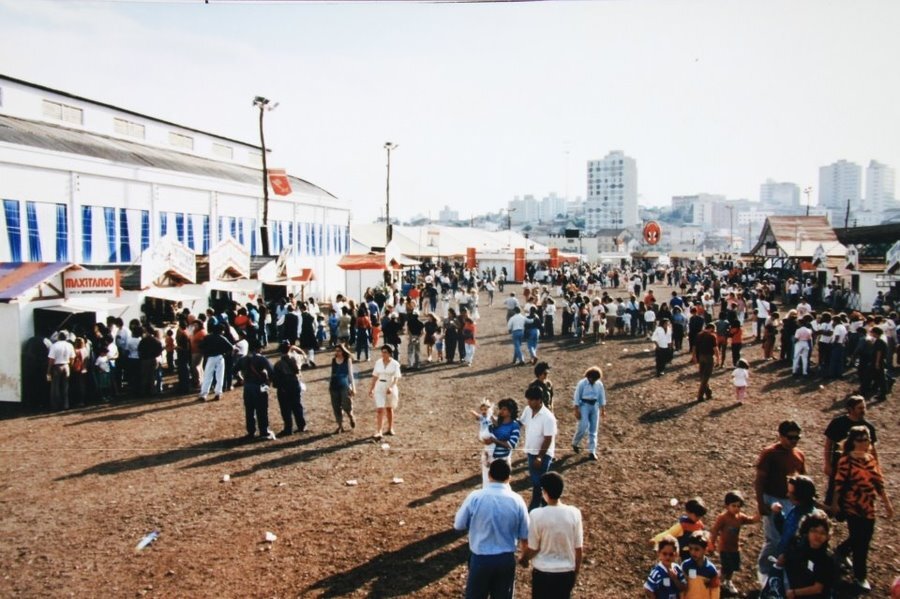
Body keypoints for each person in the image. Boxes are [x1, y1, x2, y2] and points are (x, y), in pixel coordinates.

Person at [453, 459, 530, 599]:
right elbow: (525, 534)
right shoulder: (517, 500)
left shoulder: (475, 497)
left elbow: (458, 524)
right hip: (505, 559)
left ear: (489, 476)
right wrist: (525, 557)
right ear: (509, 478)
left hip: (481, 558)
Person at [830, 425, 894, 592]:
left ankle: (842, 550)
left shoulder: (870, 459)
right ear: (852, 441)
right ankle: (860, 576)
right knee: (861, 543)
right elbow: (839, 483)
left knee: (864, 536)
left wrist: (887, 503)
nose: (864, 443)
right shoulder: (846, 460)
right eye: (860, 440)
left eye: (866, 439)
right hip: (853, 505)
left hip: (868, 505)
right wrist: (835, 504)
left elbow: (878, 482)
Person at [519, 472, 583, 599]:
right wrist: (575, 572)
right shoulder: (574, 513)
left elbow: (534, 547)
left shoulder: (536, 514)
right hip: (565, 573)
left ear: (545, 492)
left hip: (543, 574)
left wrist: (524, 558)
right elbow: (578, 548)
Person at [754, 420, 806, 576]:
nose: (794, 441)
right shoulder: (770, 453)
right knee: (774, 538)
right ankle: (764, 570)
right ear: (781, 436)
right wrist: (761, 503)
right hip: (772, 498)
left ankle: (781, 566)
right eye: (791, 437)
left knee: (789, 536)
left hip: (790, 500)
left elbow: (803, 478)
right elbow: (759, 480)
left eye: (797, 437)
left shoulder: (799, 455)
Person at [823, 395, 879, 507]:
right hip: (839, 467)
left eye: (864, 407)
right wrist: (827, 464)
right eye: (860, 408)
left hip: (859, 470)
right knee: (833, 496)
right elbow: (828, 445)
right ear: (850, 409)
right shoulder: (838, 423)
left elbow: (872, 450)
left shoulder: (868, 427)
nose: (863, 411)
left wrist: (875, 469)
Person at [706, 490, 759, 596]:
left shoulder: (740, 517)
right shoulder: (723, 518)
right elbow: (715, 530)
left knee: (733, 567)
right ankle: (718, 582)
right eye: (733, 506)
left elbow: (752, 520)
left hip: (735, 548)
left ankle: (727, 581)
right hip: (724, 547)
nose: (736, 508)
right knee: (726, 566)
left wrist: (760, 511)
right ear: (727, 506)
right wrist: (712, 543)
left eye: (738, 506)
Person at [521, 384, 557, 511]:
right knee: (536, 481)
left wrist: (540, 457)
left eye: (531, 400)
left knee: (539, 483)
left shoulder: (548, 417)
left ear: (539, 400)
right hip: (531, 451)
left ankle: (537, 508)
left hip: (543, 454)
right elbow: (521, 423)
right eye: (528, 400)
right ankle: (543, 507)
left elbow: (548, 439)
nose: (529, 402)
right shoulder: (527, 410)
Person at [782, 511, 834, 599]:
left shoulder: (826, 559)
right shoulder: (797, 546)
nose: (818, 535)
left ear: (827, 536)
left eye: (822, 533)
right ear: (806, 531)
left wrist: (794, 593)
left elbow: (818, 588)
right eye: (814, 531)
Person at [236, 340, 275, 441]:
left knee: (249, 410)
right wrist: (267, 383)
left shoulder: (243, 359)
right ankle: (264, 431)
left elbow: (234, 370)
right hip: (259, 386)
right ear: (259, 348)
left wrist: (241, 378)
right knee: (262, 409)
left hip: (247, 387)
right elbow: (271, 371)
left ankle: (251, 431)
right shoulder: (261, 359)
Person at [651, 497, 707, 561]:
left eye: (700, 516)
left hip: (695, 552)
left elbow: (704, 536)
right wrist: (656, 539)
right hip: (683, 552)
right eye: (697, 516)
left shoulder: (699, 525)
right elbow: (669, 533)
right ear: (688, 512)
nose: (698, 518)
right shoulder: (683, 525)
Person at [271, 341, 307, 436]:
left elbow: (275, 380)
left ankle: (288, 428)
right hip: (295, 384)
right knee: (297, 406)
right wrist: (294, 348)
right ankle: (301, 425)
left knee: (285, 409)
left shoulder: (278, 364)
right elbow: (304, 355)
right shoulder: (296, 359)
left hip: (284, 387)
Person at [570, 366, 606, 460]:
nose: (593, 381)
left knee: (594, 429)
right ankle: (575, 442)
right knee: (583, 425)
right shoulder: (582, 383)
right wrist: (576, 410)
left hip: (594, 406)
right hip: (584, 405)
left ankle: (592, 451)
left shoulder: (599, 384)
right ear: (588, 376)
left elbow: (601, 396)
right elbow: (577, 396)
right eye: (592, 379)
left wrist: (603, 409)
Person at [367, 344, 401, 439]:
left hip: (390, 387)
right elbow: (375, 376)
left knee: (389, 409)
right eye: (382, 352)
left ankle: (390, 428)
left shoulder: (395, 364)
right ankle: (379, 431)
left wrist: (391, 387)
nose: (383, 354)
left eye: (385, 352)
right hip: (379, 386)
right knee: (380, 409)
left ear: (390, 353)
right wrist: (371, 388)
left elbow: (396, 378)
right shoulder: (378, 362)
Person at [197, 323, 233, 402]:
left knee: (207, 376)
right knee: (220, 376)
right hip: (220, 357)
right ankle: (218, 393)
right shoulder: (222, 338)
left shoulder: (207, 337)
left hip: (210, 358)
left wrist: (206, 351)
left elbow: (200, 346)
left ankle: (204, 394)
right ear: (221, 331)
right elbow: (231, 347)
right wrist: (224, 353)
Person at [680, 531, 720, 599]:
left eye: (697, 549)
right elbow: (682, 587)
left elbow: (714, 590)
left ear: (705, 550)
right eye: (690, 549)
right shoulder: (686, 565)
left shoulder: (711, 569)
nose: (693, 552)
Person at [329, 343, 356, 433]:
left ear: (343, 351)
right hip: (334, 385)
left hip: (345, 385)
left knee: (346, 404)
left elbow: (350, 374)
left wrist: (353, 386)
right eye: (336, 351)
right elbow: (332, 373)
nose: (338, 352)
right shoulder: (333, 360)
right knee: (336, 406)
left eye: (339, 350)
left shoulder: (347, 360)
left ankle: (351, 416)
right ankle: (340, 425)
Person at [47, 331, 75, 411]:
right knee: (65, 386)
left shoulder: (54, 346)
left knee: (55, 387)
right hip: (66, 365)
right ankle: (66, 404)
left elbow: (51, 359)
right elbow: (72, 357)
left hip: (57, 366)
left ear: (58, 337)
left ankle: (56, 405)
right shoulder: (69, 345)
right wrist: (70, 366)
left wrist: (48, 370)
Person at [693, 323, 718, 401]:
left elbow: (694, 347)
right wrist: (718, 358)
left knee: (702, 375)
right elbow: (715, 348)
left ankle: (708, 392)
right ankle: (700, 396)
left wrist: (694, 356)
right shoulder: (712, 336)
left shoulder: (699, 335)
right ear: (711, 328)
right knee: (706, 377)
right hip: (709, 357)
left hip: (701, 356)